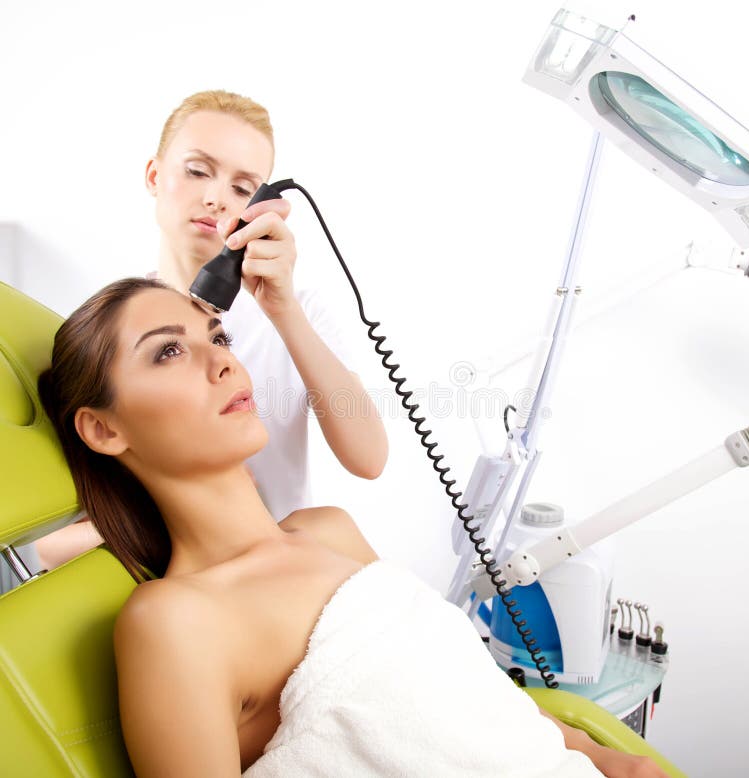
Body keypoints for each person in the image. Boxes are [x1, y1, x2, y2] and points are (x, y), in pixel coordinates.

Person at [38, 277, 668, 777]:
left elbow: (468, 699)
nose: (222, 363)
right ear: (103, 428)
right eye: (169, 351)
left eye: (219, 337)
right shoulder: (174, 619)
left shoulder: (330, 530)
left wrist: (605, 756)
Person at [35, 90, 388, 570]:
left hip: (291, 561)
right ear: (155, 176)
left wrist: (283, 309)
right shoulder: (114, 331)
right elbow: (52, 541)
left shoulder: (295, 313)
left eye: (243, 188)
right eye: (198, 170)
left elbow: (368, 459)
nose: (216, 198)